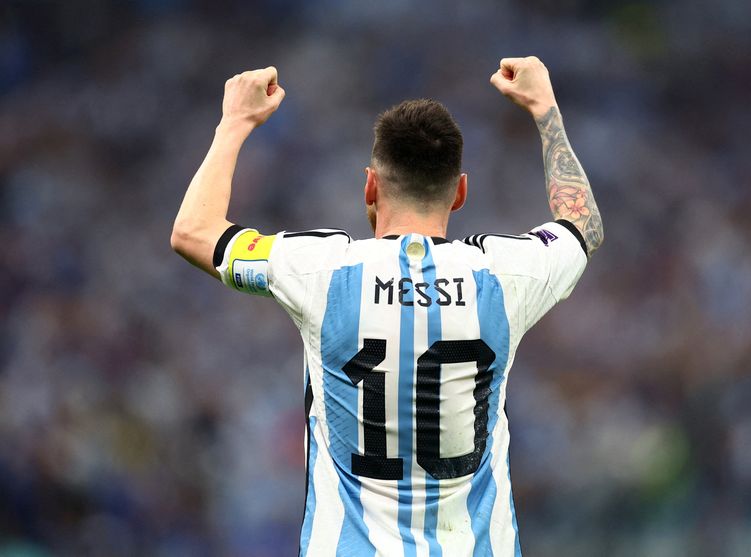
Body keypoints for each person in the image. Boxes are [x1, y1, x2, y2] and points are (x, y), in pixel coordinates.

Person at [171, 56, 603, 556]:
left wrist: (235, 123)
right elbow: (582, 226)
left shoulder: (322, 269)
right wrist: (545, 108)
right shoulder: (506, 275)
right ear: (460, 192)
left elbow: (193, 232)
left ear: (371, 185)